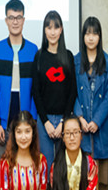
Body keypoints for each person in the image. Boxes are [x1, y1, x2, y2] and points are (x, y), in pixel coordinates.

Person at [0, 0, 39, 158]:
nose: (15, 22)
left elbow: (36, 90)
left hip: (26, 122)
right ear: (6, 20)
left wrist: (33, 120)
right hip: (3, 124)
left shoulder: (33, 50)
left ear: (23, 20)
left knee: (25, 164)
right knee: (4, 165)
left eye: (18, 17)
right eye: (11, 18)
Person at [32, 10, 77, 168]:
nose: (52, 32)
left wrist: (63, 122)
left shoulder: (68, 56)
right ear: (44, 30)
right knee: (45, 166)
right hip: (44, 122)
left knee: (63, 167)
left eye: (56, 27)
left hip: (65, 121)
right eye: (49, 27)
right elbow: (36, 92)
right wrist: (46, 122)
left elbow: (72, 91)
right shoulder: (39, 57)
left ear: (61, 30)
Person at [73, 17, 108, 189]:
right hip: (81, 127)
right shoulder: (76, 61)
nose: (91, 38)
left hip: (101, 128)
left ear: (99, 36)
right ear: (83, 36)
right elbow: (72, 93)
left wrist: (96, 121)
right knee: (83, 179)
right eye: (87, 33)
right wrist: (80, 118)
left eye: (94, 33)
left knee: (103, 181)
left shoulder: (107, 61)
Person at [0, 110, 48, 190]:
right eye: (19, 132)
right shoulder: (6, 162)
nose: (23, 137)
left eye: (27, 131)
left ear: (33, 133)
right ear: (14, 134)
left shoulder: (41, 161)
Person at [50, 114, 98, 190]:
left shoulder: (90, 164)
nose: (72, 138)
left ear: (81, 135)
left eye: (75, 132)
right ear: (63, 137)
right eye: (67, 133)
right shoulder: (56, 166)